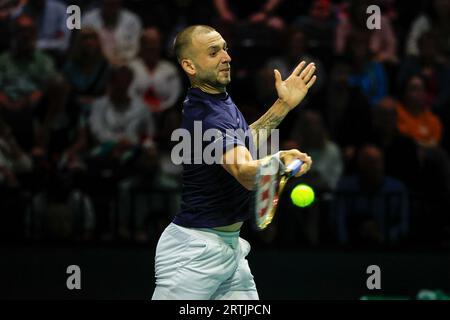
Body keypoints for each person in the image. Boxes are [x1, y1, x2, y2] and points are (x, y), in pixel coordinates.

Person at [152, 25, 315, 300]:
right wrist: (276, 161)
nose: (226, 57)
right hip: (194, 254)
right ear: (189, 65)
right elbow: (244, 172)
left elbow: (239, 144)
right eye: (213, 52)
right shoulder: (208, 114)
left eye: (225, 48)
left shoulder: (216, 101)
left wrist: (282, 106)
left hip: (229, 250)